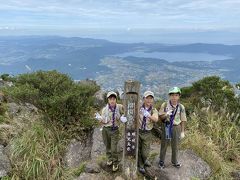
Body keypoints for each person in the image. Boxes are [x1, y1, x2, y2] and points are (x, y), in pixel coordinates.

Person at [95, 91, 127, 172]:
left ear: (116, 99)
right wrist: (100, 119)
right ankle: (109, 159)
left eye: (114, 99)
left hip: (115, 130)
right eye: (110, 99)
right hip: (106, 130)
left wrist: (123, 118)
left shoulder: (119, 107)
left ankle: (115, 162)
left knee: (113, 148)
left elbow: (126, 113)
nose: (112, 100)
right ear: (108, 100)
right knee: (107, 146)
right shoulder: (104, 110)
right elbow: (102, 122)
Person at [158, 87, 187, 169]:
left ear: (179, 96)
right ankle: (161, 161)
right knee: (164, 144)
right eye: (172, 95)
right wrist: (166, 114)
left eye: (176, 95)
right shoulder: (164, 105)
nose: (174, 97)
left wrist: (182, 131)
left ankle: (174, 161)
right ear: (169, 96)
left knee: (175, 145)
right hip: (167, 126)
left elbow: (183, 119)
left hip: (176, 127)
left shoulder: (181, 107)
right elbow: (161, 117)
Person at [138, 91, 159, 174]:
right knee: (139, 149)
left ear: (153, 100)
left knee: (145, 152)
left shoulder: (154, 110)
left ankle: (145, 159)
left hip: (147, 133)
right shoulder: (139, 107)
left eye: (151, 98)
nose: (149, 100)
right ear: (144, 99)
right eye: (147, 98)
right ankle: (141, 165)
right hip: (139, 131)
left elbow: (156, 119)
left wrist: (148, 115)